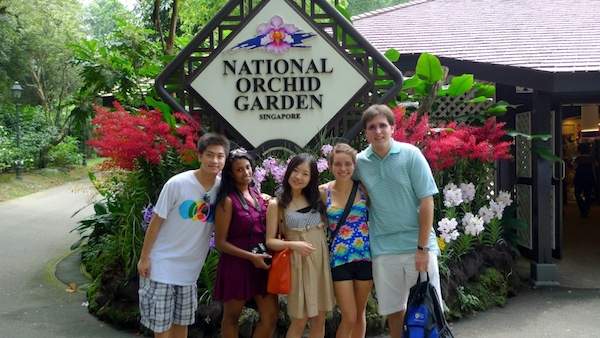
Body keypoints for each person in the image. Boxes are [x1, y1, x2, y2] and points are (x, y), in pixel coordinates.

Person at [353, 104, 441, 338]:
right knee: (394, 312)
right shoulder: (360, 162)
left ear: (393, 128)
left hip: (417, 247)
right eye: (372, 127)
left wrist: (422, 249)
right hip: (383, 248)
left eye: (383, 125)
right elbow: (344, 188)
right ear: (366, 132)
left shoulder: (411, 155)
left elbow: (427, 201)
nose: (378, 131)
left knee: (426, 310)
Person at [137, 133, 229, 338]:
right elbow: (156, 221)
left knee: (182, 326)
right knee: (162, 330)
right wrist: (144, 257)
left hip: (190, 271)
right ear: (200, 156)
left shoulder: (221, 189)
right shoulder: (177, 184)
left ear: (225, 159)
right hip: (162, 265)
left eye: (220, 156)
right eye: (209, 155)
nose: (214, 161)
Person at [265, 153, 335, 338]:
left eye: (305, 173)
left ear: (311, 178)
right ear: (288, 172)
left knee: (319, 318)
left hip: (319, 262)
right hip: (297, 264)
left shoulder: (318, 196)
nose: (299, 177)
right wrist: (293, 244)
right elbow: (270, 241)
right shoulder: (276, 203)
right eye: (295, 171)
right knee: (300, 319)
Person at [213, 149, 278, 338]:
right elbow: (220, 243)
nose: (246, 172)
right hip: (237, 265)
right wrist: (251, 257)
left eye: (248, 167)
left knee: (271, 316)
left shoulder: (258, 196)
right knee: (231, 317)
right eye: (239, 170)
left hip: (261, 264)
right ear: (231, 174)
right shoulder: (227, 201)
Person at [319, 143, 372, 338]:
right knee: (348, 316)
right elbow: (298, 205)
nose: (343, 169)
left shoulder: (364, 189)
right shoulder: (323, 192)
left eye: (348, 164)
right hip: (339, 260)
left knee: (359, 314)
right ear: (331, 166)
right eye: (338, 164)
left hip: (365, 257)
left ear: (354, 165)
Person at [574, 142, 597, 218]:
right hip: (589, 178)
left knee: (577, 194)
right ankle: (586, 209)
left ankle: (583, 209)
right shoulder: (592, 159)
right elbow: (595, 168)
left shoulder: (578, 159)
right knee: (588, 195)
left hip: (579, 178)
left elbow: (574, 166)